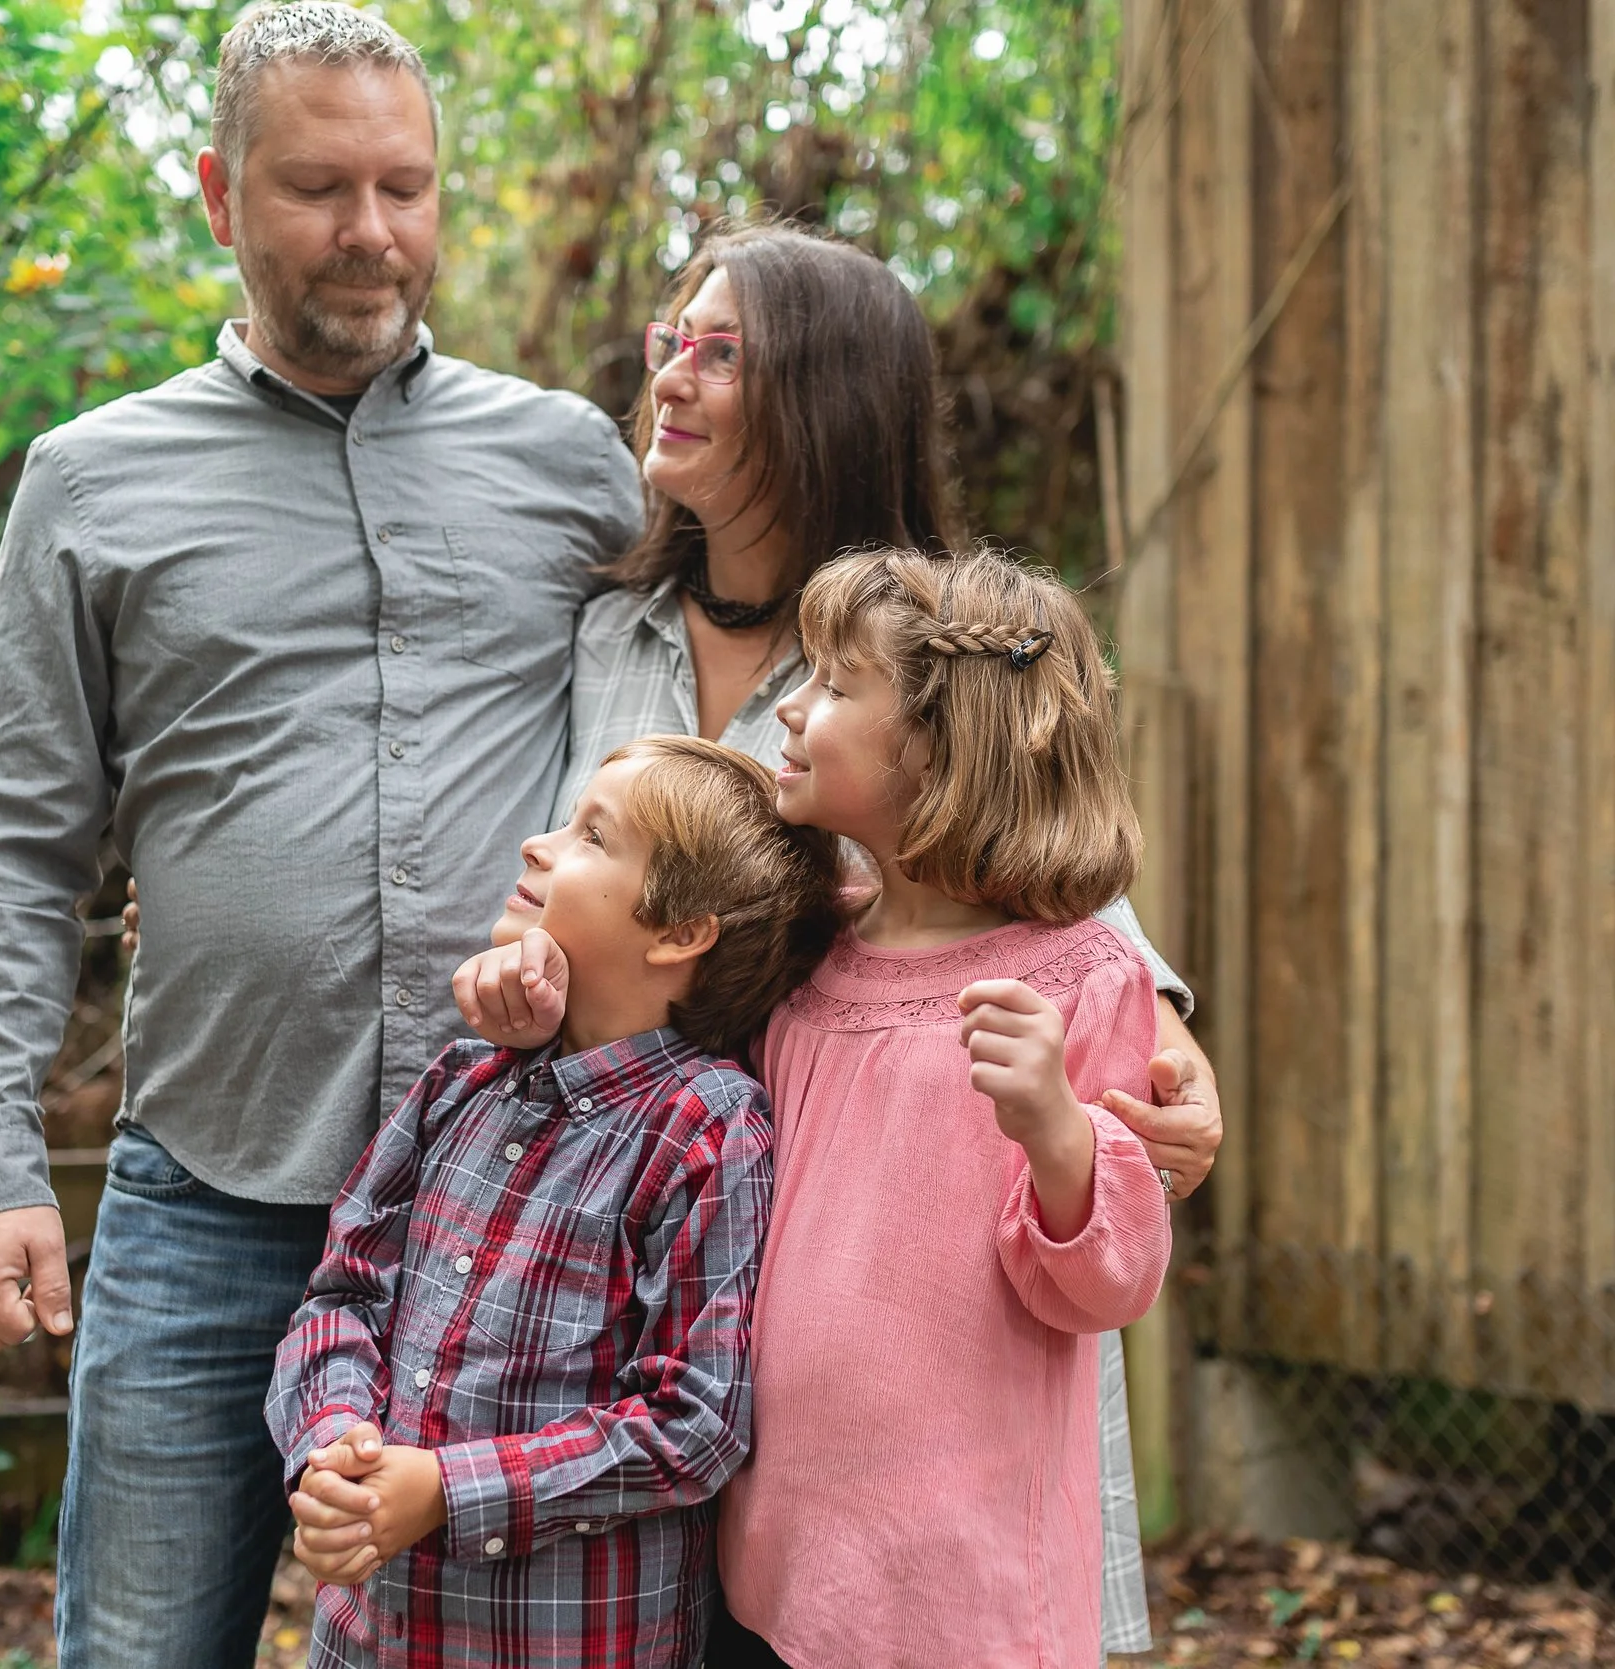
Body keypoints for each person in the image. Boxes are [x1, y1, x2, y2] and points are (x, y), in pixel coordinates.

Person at [0, 7, 641, 1666]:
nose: (372, 230)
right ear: (221, 196)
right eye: (318, 187)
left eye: (406, 185)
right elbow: (13, 836)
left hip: (521, 1199)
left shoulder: (572, 466)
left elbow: (783, 712)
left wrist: (1122, 976)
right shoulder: (93, 484)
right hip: (212, 1195)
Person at [469, 222, 1213, 1656]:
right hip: (678, 1279)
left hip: (944, 1364)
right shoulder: (607, 636)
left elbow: (1033, 857)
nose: (673, 378)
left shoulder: (928, 647)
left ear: (826, 390)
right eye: (667, 343)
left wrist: (1155, 1025)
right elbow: (545, 876)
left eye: (722, 352)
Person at [267, 737, 842, 1668]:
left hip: (563, 1641)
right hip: (376, 1634)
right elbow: (343, 1295)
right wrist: (337, 1452)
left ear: (681, 930)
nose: (538, 845)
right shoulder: (461, 1081)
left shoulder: (705, 1128)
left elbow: (695, 1420)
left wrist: (446, 1492)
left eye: (591, 836)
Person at [712, 547, 1172, 1667]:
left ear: (937, 738)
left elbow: (1106, 1286)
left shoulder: (1078, 979)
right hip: (779, 1551)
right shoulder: (807, 954)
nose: (788, 707)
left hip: (962, 1584)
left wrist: (1061, 1135)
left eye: (829, 684)